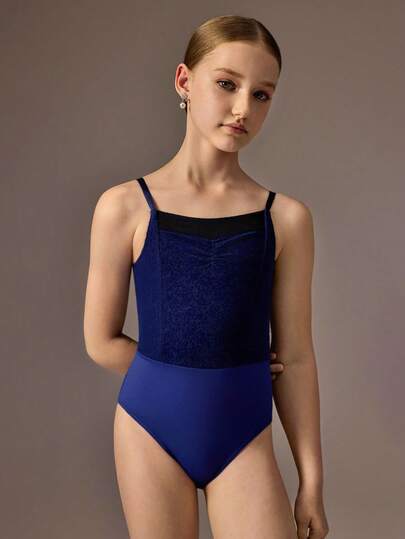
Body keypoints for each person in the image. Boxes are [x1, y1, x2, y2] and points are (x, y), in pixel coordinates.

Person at [84, 14, 329, 539]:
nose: (243, 108)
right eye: (226, 84)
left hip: (244, 433)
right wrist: (187, 376)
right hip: (150, 429)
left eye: (261, 95)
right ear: (184, 81)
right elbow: (100, 342)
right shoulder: (124, 207)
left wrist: (311, 481)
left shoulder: (285, 219)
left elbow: (296, 358)